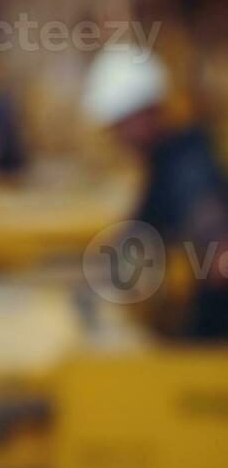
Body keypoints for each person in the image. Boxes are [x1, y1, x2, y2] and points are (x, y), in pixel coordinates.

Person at [82, 44, 228, 338]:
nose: (118, 136)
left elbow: (220, 257)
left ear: (147, 112)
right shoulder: (164, 164)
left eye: (122, 124)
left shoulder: (186, 168)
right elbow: (139, 234)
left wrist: (183, 274)